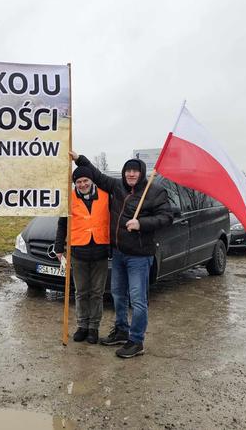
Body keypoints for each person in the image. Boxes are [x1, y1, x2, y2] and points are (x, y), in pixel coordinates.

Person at [71, 152, 173, 358]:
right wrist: (79, 158)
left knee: (137, 300)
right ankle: (121, 330)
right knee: (118, 295)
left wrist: (141, 223)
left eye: (135, 171)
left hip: (139, 256)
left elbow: (167, 217)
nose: (131, 174)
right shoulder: (117, 187)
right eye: (128, 170)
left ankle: (136, 341)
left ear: (142, 173)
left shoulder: (155, 192)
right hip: (118, 253)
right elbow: (97, 176)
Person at [54, 165, 111, 344]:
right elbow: (62, 224)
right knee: (80, 292)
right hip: (78, 251)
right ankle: (82, 326)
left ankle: (93, 327)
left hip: (100, 250)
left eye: (85, 180)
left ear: (91, 181)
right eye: (78, 182)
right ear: (75, 184)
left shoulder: (106, 195)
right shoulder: (69, 199)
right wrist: (58, 247)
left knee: (96, 292)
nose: (82, 184)